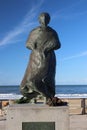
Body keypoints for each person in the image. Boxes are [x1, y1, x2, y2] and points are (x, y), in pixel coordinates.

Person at [20, 12, 61, 102]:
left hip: (47, 58)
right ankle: (32, 96)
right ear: (39, 20)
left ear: (49, 20)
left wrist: (49, 46)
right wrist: (32, 46)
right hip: (34, 57)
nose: (44, 20)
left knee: (44, 79)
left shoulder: (52, 32)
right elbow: (27, 43)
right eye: (42, 18)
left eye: (46, 18)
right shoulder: (34, 31)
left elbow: (58, 44)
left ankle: (48, 95)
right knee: (28, 80)